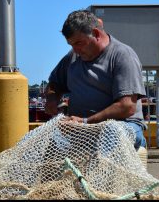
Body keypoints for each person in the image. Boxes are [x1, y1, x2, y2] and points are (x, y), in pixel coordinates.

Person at [44, 9, 147, 151]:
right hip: (82, 127)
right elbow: (54, 84)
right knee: (48, 142)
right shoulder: (73, 56)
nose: (76, 49)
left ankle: (97, 171)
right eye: (71, 45)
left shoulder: (122, 55)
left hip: (123, 126)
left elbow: (127, 107)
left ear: (96, 34)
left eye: (79, 43)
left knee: (110, 133)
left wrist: (86, 122)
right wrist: (52, 98)